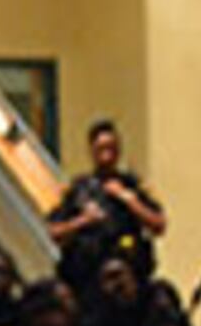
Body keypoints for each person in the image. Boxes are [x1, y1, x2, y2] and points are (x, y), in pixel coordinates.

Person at [44, 118, 167, 292]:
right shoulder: (78, 189)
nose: (107, 153)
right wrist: (84, 220)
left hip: (128, 282)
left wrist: (129, 200)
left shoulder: (132, 185)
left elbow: (159, 225)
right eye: (101, 148)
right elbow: (55, 232)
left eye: (111, 147)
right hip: (87, 283)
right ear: (92, 151)